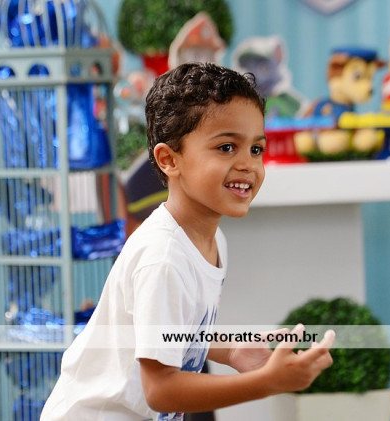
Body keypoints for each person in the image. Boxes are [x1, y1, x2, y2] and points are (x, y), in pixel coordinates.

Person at [41, 62, 335, 421]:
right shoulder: (164, 258)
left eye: (256, 149)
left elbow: (172, 332)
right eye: (226, 147)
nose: (248, 164)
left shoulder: (211, 241)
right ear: (169, 160)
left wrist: (233, 351)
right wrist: (265, 383)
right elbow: (161, 390)